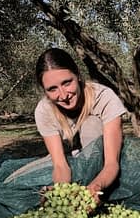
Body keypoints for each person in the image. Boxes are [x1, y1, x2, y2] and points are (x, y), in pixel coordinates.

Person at [33, 47, 127, 204]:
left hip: (102, 165)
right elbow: (60, 164)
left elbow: (111, 164)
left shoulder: (105, 98)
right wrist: (61, 190)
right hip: (69, 161)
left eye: (67, 83)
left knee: (91, 124)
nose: (63, 95)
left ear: (77, 75)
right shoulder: (44, 111)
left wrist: (96, 187)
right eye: (52, 89)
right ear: (44, 91)